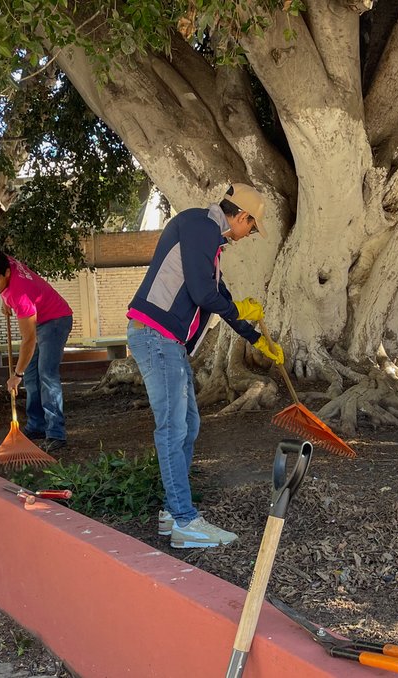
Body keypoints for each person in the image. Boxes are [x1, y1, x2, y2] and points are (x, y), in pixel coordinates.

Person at [126, 183, 284, 549]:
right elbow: (204, 295)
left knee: (188, 425)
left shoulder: (208, 240)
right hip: (155, 336)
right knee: (173, 429)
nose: (249, 235)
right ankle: (185, 521)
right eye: (252, 227)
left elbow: (219, 297)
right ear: (242, 216)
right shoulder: (200, 225)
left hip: (168, 341)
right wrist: (237, 308)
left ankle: (172, 513)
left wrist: (256, 338)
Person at [0, 247, 74, 453]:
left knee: (46, 374)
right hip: (40, 319)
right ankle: (37, 426)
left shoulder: (20, 294)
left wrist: (16, 375)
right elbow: (1, 276)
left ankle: (56, 433)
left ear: (7, 272)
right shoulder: (3, 261)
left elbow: (29, 340)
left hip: (56, 320)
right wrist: (3, 299)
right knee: (32, 375)